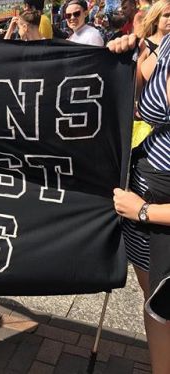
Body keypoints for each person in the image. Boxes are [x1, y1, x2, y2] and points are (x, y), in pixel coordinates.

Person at [108, 31, 170, 374]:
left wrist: (145, 211)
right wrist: (122, 57)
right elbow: (130, 95)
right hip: (140, 209)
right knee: (156, 309)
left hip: (154, 212)